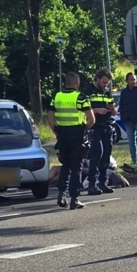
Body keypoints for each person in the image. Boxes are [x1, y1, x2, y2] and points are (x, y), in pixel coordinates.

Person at [48, 71, 95, 209]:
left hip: (62, 136)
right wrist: (84, 129)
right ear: (76, 83)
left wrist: (56, 131)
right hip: (77, 136)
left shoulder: (56, 97)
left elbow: (50, 117)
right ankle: (74, 198)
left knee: (65, 166)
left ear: (66, 83)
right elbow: (92, 119)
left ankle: (61, 194)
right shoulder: (80, 97)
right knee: (76, 168)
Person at [80, 69, 117, 195]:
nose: (105, 85)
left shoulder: (107, 92)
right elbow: (82, 109)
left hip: (107, 126)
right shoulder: (87, 92)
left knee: (106, 155)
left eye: (107, 83)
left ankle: (103, 182)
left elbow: (114, 110)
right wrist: (96, 110)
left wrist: (112, 109)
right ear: (97, 78)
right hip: (94, 127)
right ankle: (92, 184)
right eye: (103, 82)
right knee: (97, 154)